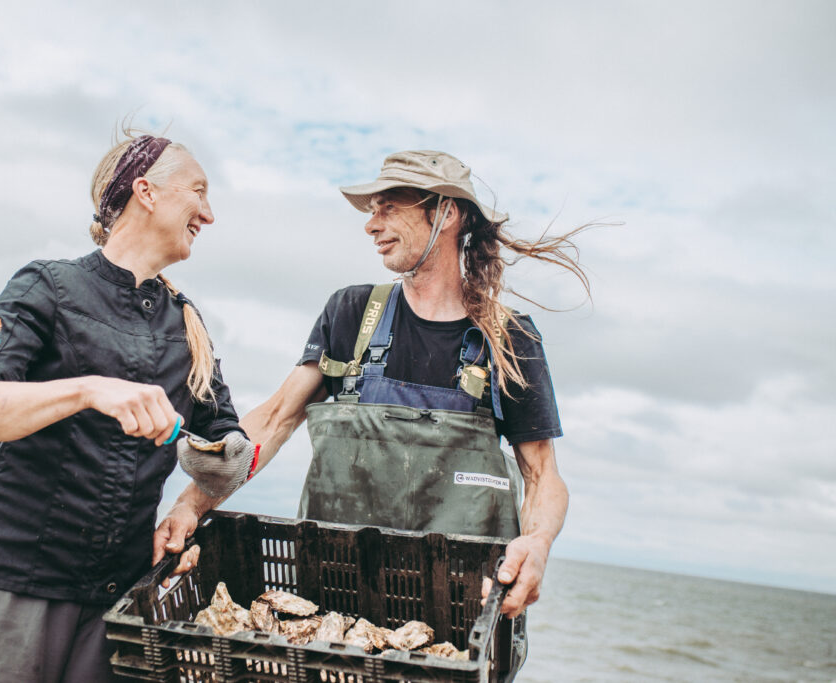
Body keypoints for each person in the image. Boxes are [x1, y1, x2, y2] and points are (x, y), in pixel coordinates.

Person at [159, 150, 590, 629]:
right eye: (372, 210)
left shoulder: (508, 339)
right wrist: (190, 505)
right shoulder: (350, 313)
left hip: (457, 616)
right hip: (334, 608)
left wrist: (538, 542)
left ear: (446, 213)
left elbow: (542, 476)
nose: (371, 224)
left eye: (388, 207)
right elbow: (277, 418)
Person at [0, 133, 256, 683]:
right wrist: (89, 389)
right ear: (147, 192)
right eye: (198, 192)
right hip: (7, 585)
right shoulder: (47, 286)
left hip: (118, 604)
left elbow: (227, 443)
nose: (208, 214)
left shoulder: (187, 327)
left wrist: (192, 506)